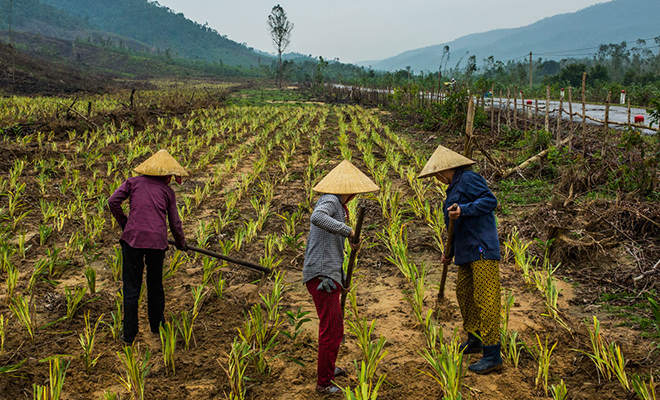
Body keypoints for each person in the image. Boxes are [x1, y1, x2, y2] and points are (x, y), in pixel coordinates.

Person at [418, 145, 502, 374]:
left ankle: (493, 354)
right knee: (464, 294)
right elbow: (455, 223)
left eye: (437, 174)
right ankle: (474, 339)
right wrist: (450, 251)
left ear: (445, 170)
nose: (437, 178)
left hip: (482, 248)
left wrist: (463, 209)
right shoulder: (453, 187)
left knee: (486, 299)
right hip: (465, 251)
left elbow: (489, 201)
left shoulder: (469, 179)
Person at [303, 160, 379, 394]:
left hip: (328, 274)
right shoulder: (330, 200)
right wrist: (349, 231)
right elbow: (317, 217)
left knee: (334, 327)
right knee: (332, 329)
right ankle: (323, 383)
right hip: (321, 276)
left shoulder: (338, 205)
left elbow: (331, 249)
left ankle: (329, 368)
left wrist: (341, 280)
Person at [108, 149, 188, 345]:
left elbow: (113, 202)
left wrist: (125, 224)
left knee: (131, 288)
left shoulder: (133, 183)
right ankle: (157, 326)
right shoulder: (167, 192)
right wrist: (181, 243)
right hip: (156, 243)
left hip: (132, 241)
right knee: (155, 285)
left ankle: (129, 334)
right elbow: (175, 222)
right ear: (165, 175)